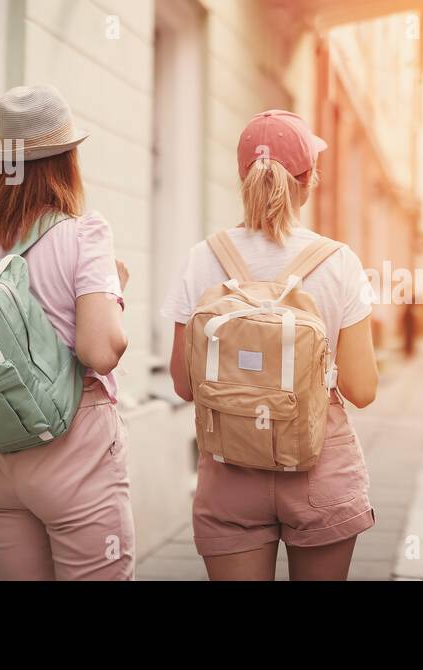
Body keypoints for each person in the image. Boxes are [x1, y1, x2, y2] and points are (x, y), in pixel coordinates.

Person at [162, 110, 379, 581]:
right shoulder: (339, 262)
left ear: (242, 177)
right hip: (318, 467)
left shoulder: (203, 258)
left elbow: (183, 384)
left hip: (230, 468)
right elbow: (362, 389)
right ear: (310, 179)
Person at [0, 84, 134, 580]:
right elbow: (102, 350)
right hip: (74, 450)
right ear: (68, 159)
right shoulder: (83, 234)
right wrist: (113, 289)